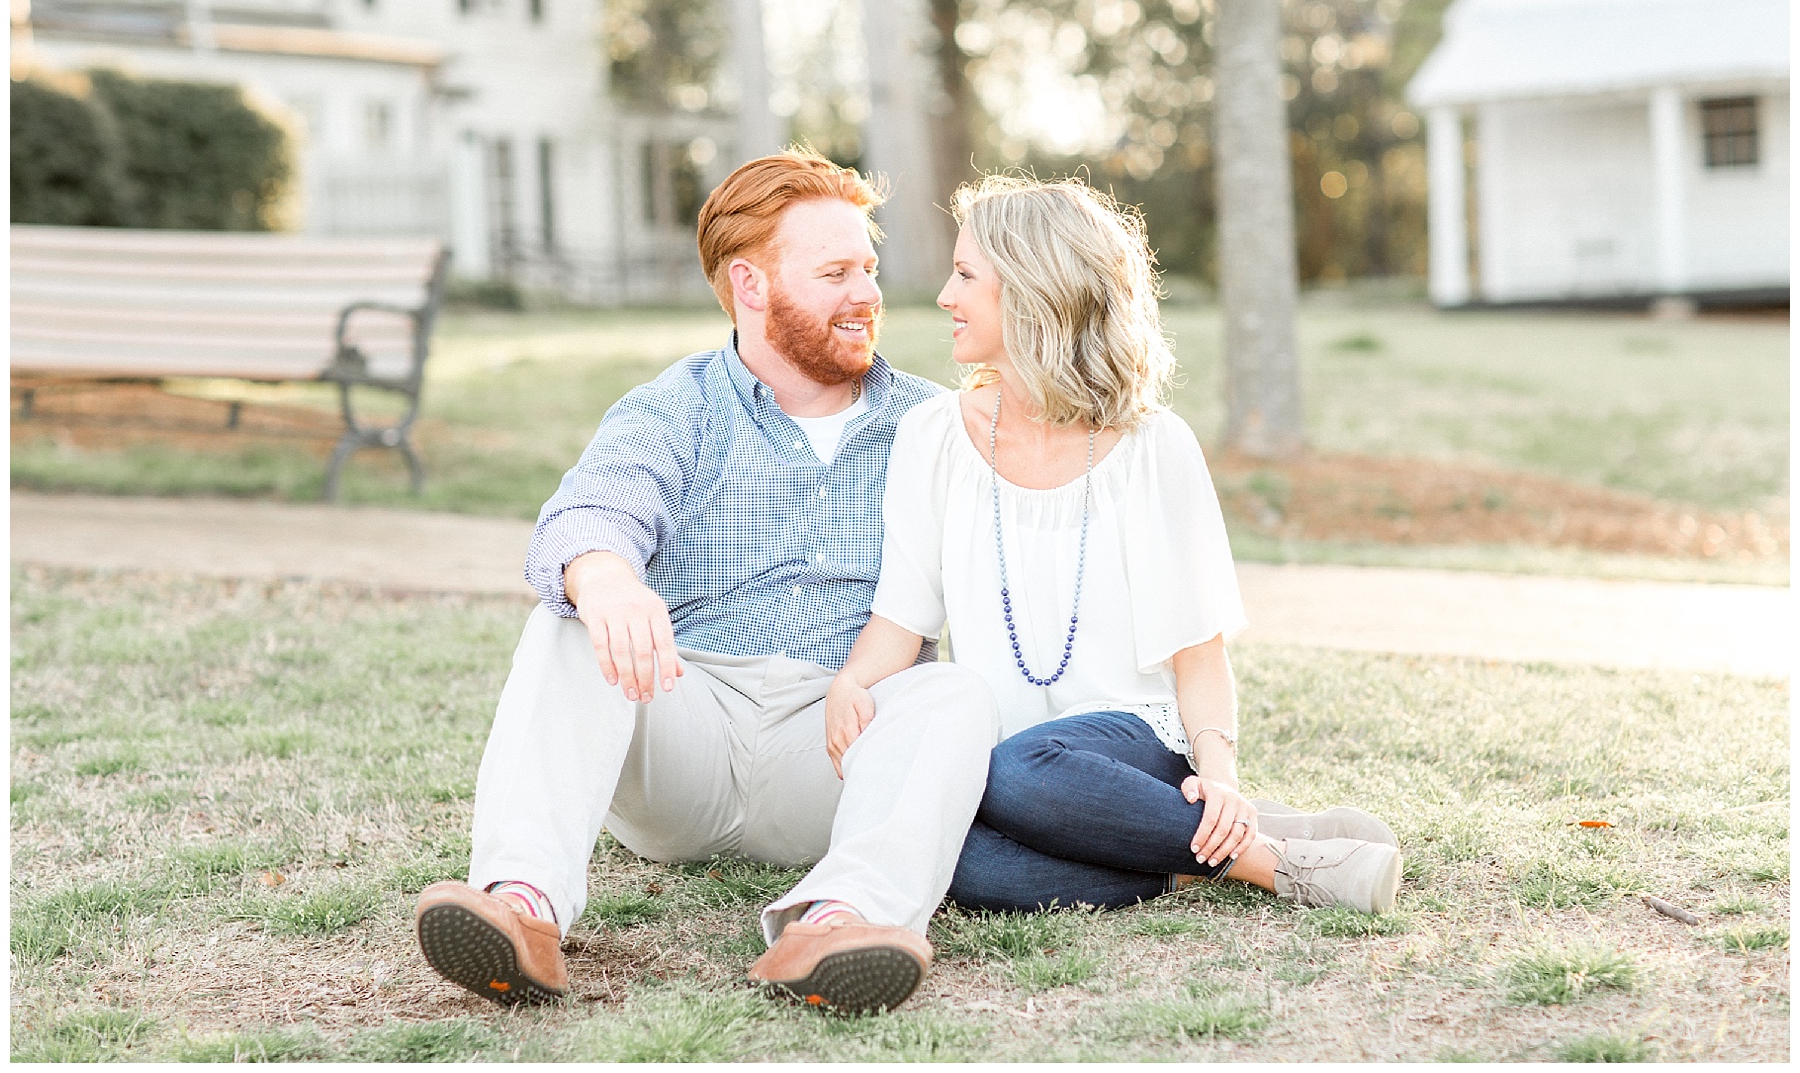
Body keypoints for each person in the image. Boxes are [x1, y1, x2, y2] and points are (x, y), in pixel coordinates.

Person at [413, 151, 998, 1016]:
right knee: (567, 615)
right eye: (835, 273)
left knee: (954, 692)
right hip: (684, 730)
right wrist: (607, 579)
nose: (867, 294)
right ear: (751, 284)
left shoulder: (932, 421)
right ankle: (523, 906)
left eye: (868, 269)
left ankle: (838, 922)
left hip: (835, 747)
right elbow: (589, 510)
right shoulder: (676, 405)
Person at [824, 175, 1402, 917]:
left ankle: (1270, 861)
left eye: (965, 274)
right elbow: (903, 616)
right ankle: (1215, 853)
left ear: (1033, 290)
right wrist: (852, 682)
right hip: (1001, 758)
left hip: (1132, 742)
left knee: (1019, 769)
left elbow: (1197, 651)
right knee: (965, 865)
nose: (944, 295)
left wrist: (1219, 775)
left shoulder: (1152, 445)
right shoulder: (930, 436)